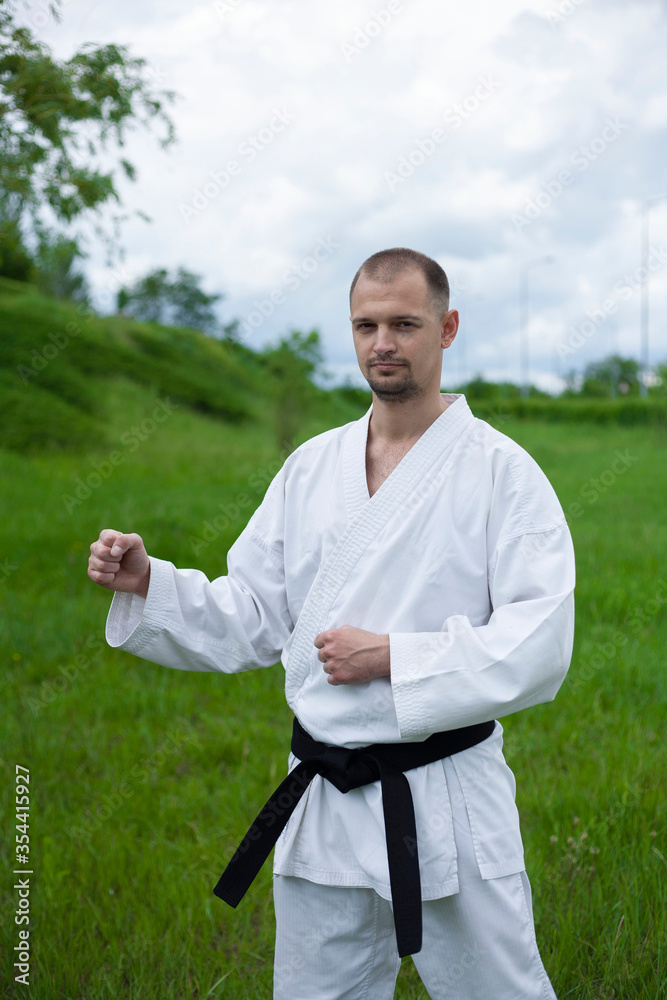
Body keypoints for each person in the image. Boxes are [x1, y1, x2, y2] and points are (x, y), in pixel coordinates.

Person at [88, 247, 575, 999]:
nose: (383, 342)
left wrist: (397, 659)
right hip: (320, 794)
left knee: (497, 991)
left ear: (445, 329)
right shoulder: (312, 467)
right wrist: (152, 584)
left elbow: (539, 640)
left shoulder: (501, 472)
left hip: (444, 793)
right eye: (366, 325)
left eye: (404, 324)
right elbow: (255, 614)